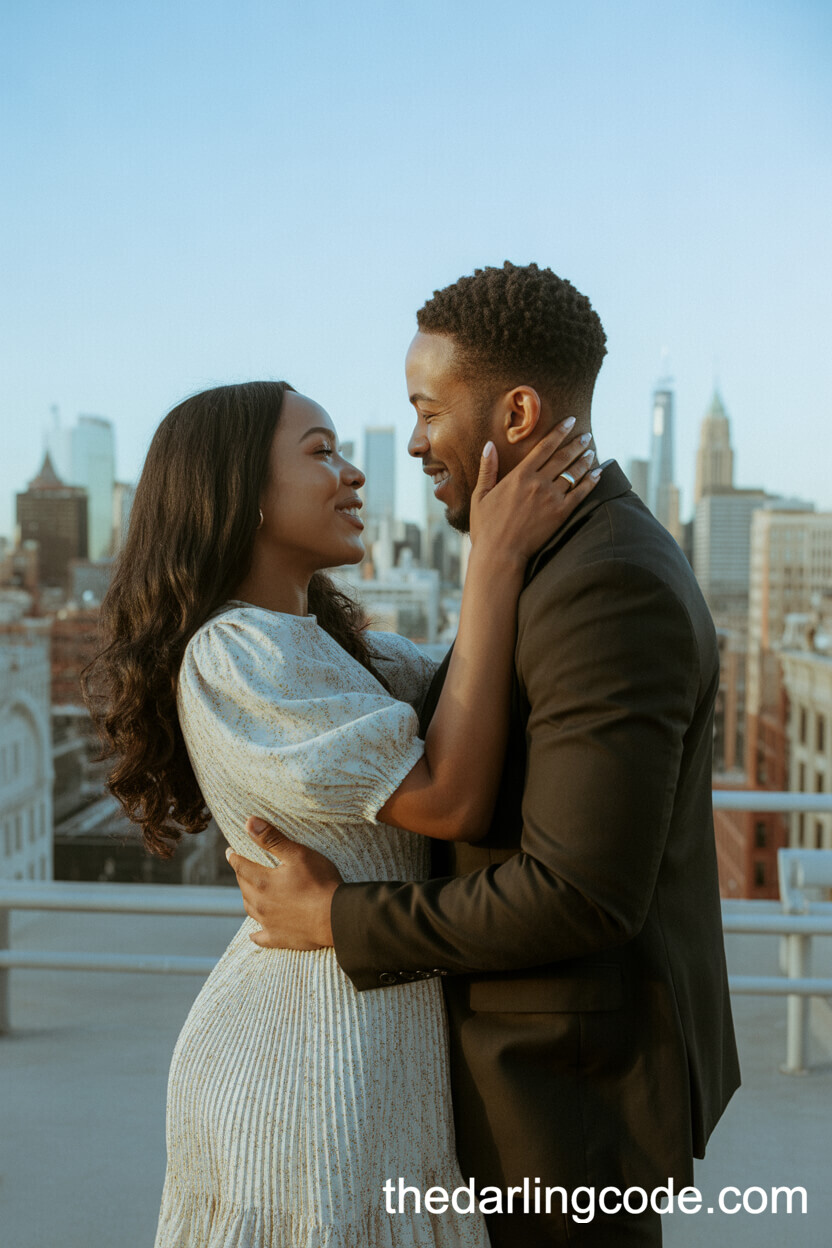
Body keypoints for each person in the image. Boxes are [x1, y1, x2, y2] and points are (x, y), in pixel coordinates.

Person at [228, 262, 742, 1247]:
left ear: (514, 411)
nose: (414, 441)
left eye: (427, 409)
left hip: (560, 1106)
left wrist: (336, 918)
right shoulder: (550, 559)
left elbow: (580, 892)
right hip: (525, 1083)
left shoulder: (606, 584)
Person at [82, 376, 598, 1246]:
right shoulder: (232, 653)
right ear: (235, 491)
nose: (355, 473)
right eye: (320, 452)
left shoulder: (339, 651)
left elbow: (480, 681)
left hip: (371, 1058)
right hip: (302, 1070)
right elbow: (450, 795)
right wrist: (496, 559)